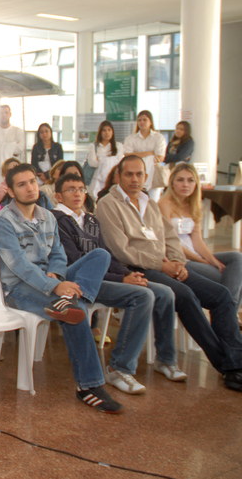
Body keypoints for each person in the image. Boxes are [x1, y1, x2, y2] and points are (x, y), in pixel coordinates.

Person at [96, 155, 242, 392]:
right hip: (137, 268)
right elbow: (121, 250)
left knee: (221, 295)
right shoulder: (108, 204)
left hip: (166, 265)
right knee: (185, 296)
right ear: (119, 176)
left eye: (139, 174)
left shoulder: (149, 203)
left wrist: (177, 262)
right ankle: (228, 365)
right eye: (129, 174)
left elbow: (171, 237)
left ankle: (236, 360)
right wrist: (162, 265)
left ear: (146, 177)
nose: (135, 179)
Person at [0, 164, 123, 413]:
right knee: (76, 313)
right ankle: (89, 387)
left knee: (100, 255)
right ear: (11, 191)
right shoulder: (3, 221)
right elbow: (18, 265)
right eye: (22, 184)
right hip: (19, 288)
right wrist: (54, 285)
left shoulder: (48, 216)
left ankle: (71, 300)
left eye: (32, 181)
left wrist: (58, 276)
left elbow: (59, 254)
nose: (30, 188)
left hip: (51, 280)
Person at [52, 173, 186, 394]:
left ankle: (166, 359)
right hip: (80, 283)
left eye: (81, 189)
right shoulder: (57, 221)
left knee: (165, 292)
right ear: (58, 195)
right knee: (143, 296)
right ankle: (119, 368)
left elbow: (108, 255)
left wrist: (129, 275)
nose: (77, 194)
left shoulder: (91, 220)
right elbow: (75, 262)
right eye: (70, 189)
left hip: (106, 278)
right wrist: (121, 279)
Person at [158, 163, 242, 309]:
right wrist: (202, 261)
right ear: (172, 183)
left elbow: (197, 240)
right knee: (228, 278)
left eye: (190, 180)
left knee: (237, 258)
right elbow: (170, 242)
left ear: (196, 184)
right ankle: (230, 312)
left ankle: (229, 311)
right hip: (178, 256)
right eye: (180, 180)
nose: (186, 184)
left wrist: (213, 261)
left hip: (194, 254)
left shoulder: (193, 204)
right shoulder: (164, 204)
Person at [124, 110, 166, 197]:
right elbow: (127, 156)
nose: (142, 122)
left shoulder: (158, 137)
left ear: (151, 122)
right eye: (139, 120)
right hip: (135, 173)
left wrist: (136, 155)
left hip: (154, 175)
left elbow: (160, 158)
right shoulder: (131, 138)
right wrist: (149, 153)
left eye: (145, 120)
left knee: (153, 201)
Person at [87, 120, 124, 197]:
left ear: (112, 132)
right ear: (100, 132)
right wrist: (107, 162)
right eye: (104, 130)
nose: (107, 132)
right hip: (97, 177)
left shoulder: (118, 145)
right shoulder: (94, 146)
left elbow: (120, 161)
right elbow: (92, 162)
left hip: (112, 177)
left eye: (109, 130)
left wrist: (104, 161)